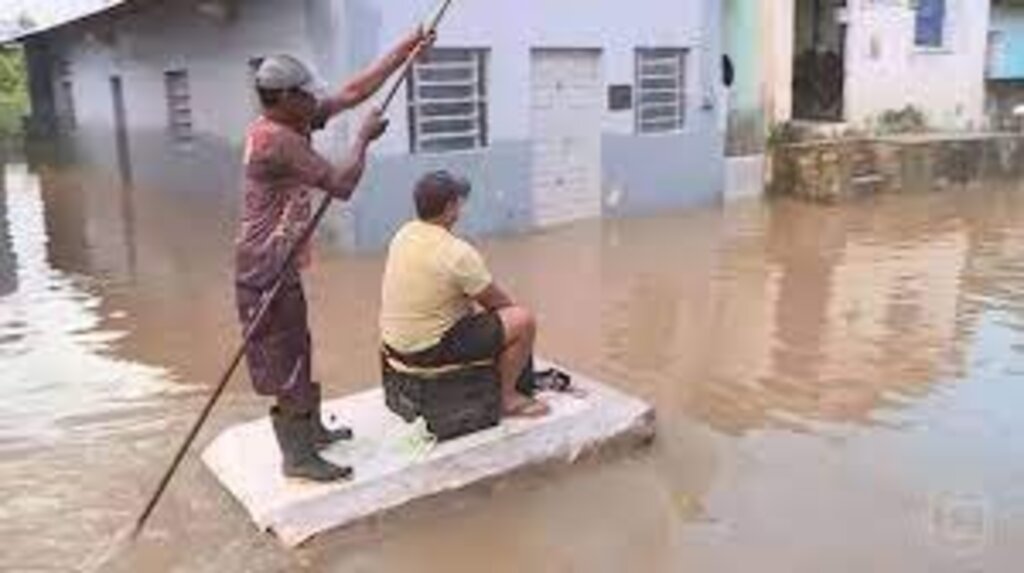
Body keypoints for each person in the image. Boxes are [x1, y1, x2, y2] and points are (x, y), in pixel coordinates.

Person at [236, 28, 431, 483]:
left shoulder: (292, 119)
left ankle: (313, 431)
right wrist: (363, 139)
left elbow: (353, 91)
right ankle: (298, 459)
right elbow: (342, 185)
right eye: (306, 96)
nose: (315, 102)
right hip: (264, 267)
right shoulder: (275, 140)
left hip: (281, 262)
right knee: (284, 360)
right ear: (283, 97)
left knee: (299, 347)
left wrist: (405, 51)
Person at [379, 171, 551, 419]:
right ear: (451, 208)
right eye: (459, 202)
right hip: (428, 351)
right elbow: (500, 304)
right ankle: (506, 398)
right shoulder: (457, 253)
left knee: (472, 314)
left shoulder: (403, 235)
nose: (461, 207)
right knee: (523, 321)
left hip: (395, 348)